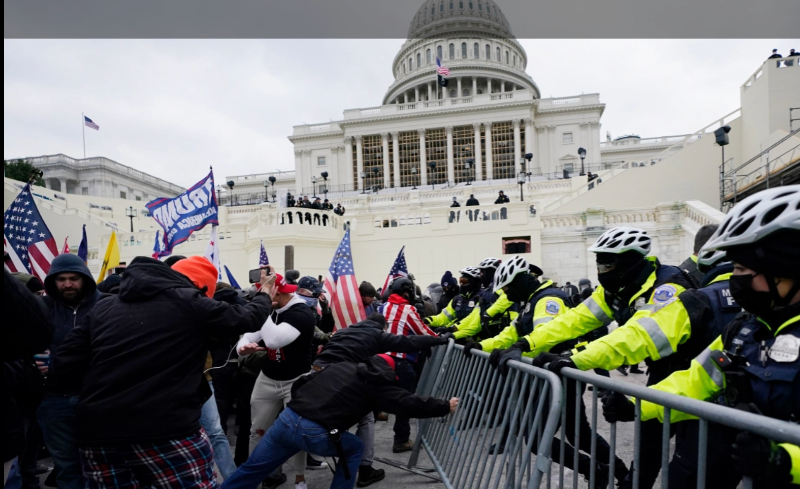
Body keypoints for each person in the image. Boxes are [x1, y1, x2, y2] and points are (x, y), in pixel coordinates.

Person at [603, 186, 800, 489]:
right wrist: (636, 404)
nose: (734, 279)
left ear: (785, 269)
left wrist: (785, 461)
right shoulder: (746, 327)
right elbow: (698, 379)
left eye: (742, 268)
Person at [47, 256, 274, 489]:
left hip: (99, 433)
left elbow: (65, 362)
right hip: (165, 429)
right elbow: (248, 318)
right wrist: (265, 293)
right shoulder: (187, 299)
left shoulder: (104, 307)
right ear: (201, 287)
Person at [497, 227, 696, 489]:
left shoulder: (669, 288)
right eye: (599, 264)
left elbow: (637, 336)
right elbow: (575, 320)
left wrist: (575, 357)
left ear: (629, 261)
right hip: (664, 373)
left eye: (607, 264)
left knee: (690, 466)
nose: (601, 271)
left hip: (697, 377)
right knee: (647, 452)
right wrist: (526, 343)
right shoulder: (616, 288)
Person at [221, 355, 457, 489]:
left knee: (252, 469)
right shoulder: (378, 385)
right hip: (315, 432)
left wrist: (303, 405)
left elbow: (302, 382)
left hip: (287, 420)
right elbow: (408, 403)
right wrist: (445, 406)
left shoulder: (342, 366)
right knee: (355, 448)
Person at [313, 313, 447, 486]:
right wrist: (438, 340)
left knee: (304, 414)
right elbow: (407, 342)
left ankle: (292, 470)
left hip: (315, 372)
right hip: (339, 375)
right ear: (383, 327)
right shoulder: (376, 334)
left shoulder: (344, 331)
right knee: (366, 418)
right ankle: (365, 469)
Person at [237, 273, 316, 489]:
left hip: (296, 380)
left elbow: (274, 340)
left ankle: (300, 478)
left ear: (275, 293)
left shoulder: (301, 312)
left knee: (296, 432)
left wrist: (263, 307)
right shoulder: (272, 309)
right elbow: (247, 336)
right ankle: (257, 478)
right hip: (268, 378)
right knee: (257, 431)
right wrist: (243, 348)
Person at [37, 254, 109, 489]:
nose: (68, 284)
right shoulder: (43, 308)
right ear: (52, 281)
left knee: (104, 464)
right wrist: (32, 361)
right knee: (67, 467)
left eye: (73, 278)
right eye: (61, 279)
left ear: (85, 278)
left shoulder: (108, 305)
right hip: (54, 399)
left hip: (98, 398)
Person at [380, 278, 441, 454]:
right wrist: (440, 338)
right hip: (401, 362)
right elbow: (422, 331)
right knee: (404, 402)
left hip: (381, 359)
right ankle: (401, 440)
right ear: (407, 292)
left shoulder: (382, 307)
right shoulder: (408, 309)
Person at [5, 268, 53, 486]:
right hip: (16, 403)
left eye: (41, 295)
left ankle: (29, 474)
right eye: (34, 296)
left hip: (31, 400)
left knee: (29, 445)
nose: (38, 301)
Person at [449, 258, 517, 342]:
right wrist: (453, 330)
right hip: (492, 337)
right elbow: (474, 317)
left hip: (509, 334)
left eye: (482, 272)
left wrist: (488, 314)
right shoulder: (486, 292)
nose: (480, 275)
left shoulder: (502, 288)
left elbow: (505, 300)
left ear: (489, 272)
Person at [426, 267, 483, 332]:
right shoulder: (457, 299)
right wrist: (428, 320)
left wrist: (451, 330)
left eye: (464, 281)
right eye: (460, 281)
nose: (461, 284)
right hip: (457, 334)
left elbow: (473, 322)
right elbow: (444, 317)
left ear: (474, 282)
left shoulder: (482, 298)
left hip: (475, 335)